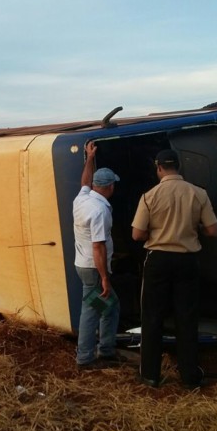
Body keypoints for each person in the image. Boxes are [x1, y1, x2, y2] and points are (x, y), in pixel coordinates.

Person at [131, 149, 217, 389]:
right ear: (179, 166)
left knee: (152, 317)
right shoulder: (198, 193)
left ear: (158, 167)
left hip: (158, 260)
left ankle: (150, 375)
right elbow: (213, 231)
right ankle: (190, 377)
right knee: (187, 318)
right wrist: (192, 229)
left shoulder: (149, 196)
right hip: (187, 260)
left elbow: (137, 234)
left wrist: (157, 232)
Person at [73, 141, 124, 370]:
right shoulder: (100, 210)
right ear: (110, 187)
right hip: (94, 268)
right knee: (92, 311)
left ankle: (106, 349)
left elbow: (84, 181)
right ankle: (85, 358)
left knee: (110, 306)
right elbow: (99, 246)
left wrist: (90, 158)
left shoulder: (83, 198)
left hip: (83, 263)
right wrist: (104, 277)